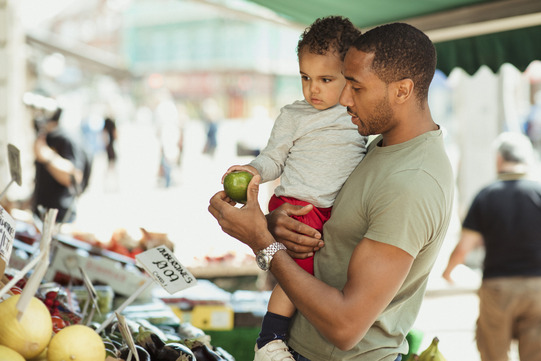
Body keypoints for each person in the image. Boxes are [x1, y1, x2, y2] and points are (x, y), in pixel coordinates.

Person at [209, 22, 454, 361]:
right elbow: (335, 228)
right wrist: (278, 224)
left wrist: (263, 242)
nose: (343, 98)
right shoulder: (378, 146)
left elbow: (345, 328)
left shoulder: (411, 182)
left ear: (402, 90)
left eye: (355, 86)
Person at [221, 16, 367, 360]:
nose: (313, 89)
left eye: (325, 79)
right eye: (305, 78)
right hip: (299, 207)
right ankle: (269, 338)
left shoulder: (358, 115)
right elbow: (273, 158)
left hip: (335, 214)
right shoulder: (294, 116)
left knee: (325, 282)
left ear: (351, 74)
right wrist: (252, 171)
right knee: (294, 276)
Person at [442, 132, 541, 361]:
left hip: (498, 287)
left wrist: (448, 273)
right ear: (527, 159)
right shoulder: (538, 192)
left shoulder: (486, 196)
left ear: (498, 160)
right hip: (537, 287)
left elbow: (463, 247)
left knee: (493, 353)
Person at [32, 107, 88, 223]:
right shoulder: (46, 137)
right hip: (41, 216)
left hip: (60, 219)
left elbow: (74, 176)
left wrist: (47, 156)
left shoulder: (66, 139)